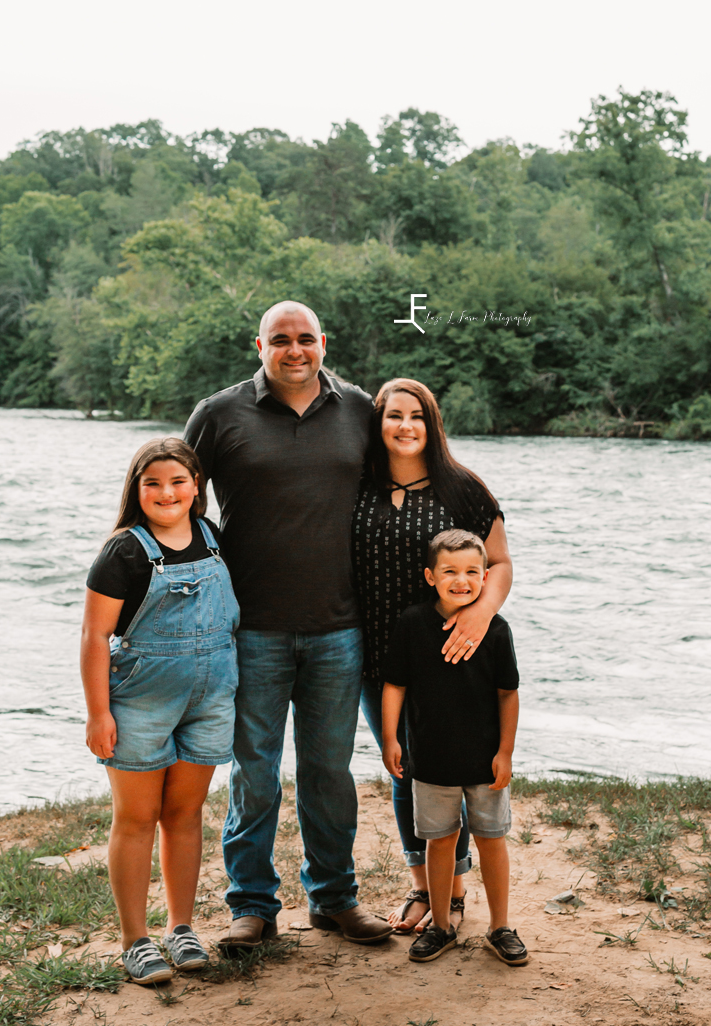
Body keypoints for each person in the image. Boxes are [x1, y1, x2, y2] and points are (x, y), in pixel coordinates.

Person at [184, 301, 394, 951]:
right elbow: (172, 499)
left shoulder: (360, 409)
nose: (294, 349)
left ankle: (335, 899)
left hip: (340, 628)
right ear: (259, 346)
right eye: (281, 339)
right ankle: (252, 906)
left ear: (324, 343)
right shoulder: (219, 415)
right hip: (251, 630)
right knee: (254, 771)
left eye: (306, 339)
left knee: (330, 772)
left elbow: (405, 484)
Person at [352, 378, 513, 935]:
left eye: (416, 415)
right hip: (378, 656)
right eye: (393, 415)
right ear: (378, 424)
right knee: (406, 769)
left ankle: (456, 890)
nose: (404, 426)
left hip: (453, 651)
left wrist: (480, 614)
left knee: (456, 766)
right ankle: (423, 887)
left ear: (431, 423)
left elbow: (499, 563)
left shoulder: (462, 488)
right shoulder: (358, 485)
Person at [81, 437, 239, 984]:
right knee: (136, 817)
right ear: (136, 489)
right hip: (141, 701)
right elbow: (94, 636)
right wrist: (99, 713)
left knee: (184, 815)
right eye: (153, 483)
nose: (167, 492)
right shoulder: (124, 550)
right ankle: (135, 940)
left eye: (178, 481)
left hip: (211, 696)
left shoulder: (213, 537)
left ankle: (181, 927)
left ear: (197, 486)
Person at [382, 529, 527, 965]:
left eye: (471, 571)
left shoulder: (496, 631)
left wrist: (506, 752)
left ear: (486, 576)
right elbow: (395, 684)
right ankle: (442, 925)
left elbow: (508, 694)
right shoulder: (411, 623)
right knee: (440, 841)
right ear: (430, 576)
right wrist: (391, 738)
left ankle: (500, 927)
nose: (461, 580)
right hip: (429, 760)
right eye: (450, 571)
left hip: (485, 761)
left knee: (491, 839)